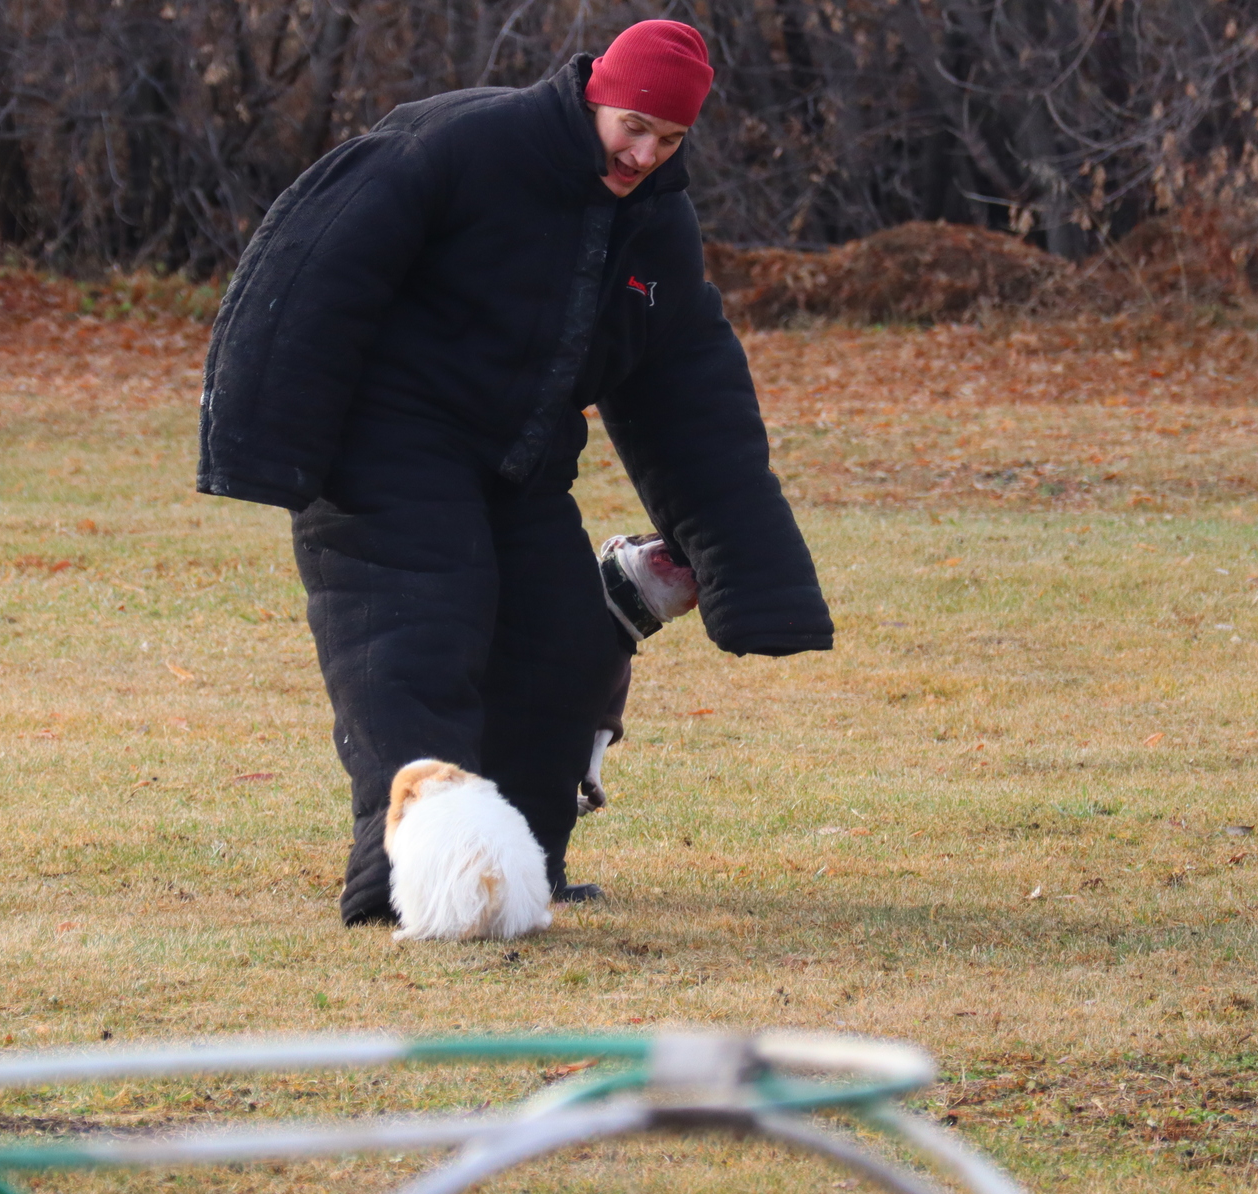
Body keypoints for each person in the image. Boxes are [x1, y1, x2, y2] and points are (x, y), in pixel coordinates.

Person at [197, 20, 833, 927]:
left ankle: (524, 873)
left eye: (670, 139)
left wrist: (755, 576)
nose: (644, 152)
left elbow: (690, 387)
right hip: (388, 441)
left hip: (521, 458)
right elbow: (315, 262)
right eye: (632, 126)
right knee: (417, 643)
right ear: (594, 96)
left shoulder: (655, 224)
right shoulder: (464, 143)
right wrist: (265, 437)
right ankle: (406, 885)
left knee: (562, 648)